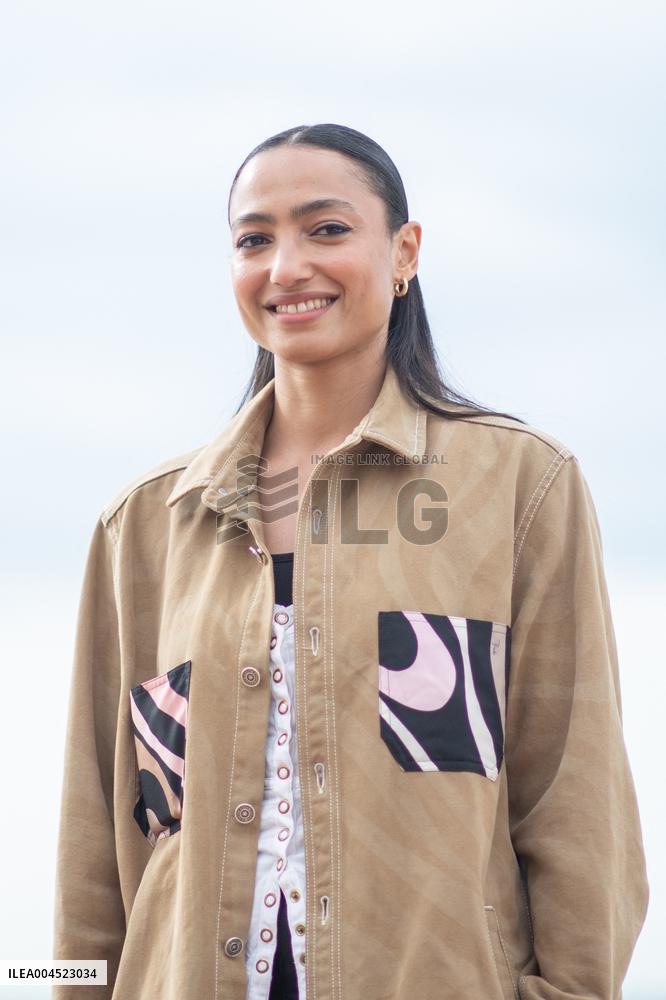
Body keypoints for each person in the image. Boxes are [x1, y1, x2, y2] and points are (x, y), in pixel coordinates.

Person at [53, 122, 649, 1000]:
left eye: (326, 229)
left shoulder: (521, 485)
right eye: (255, 239)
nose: (287, 265)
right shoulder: (144, 525)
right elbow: (91, 850)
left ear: (405, 251)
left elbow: (576, 795)